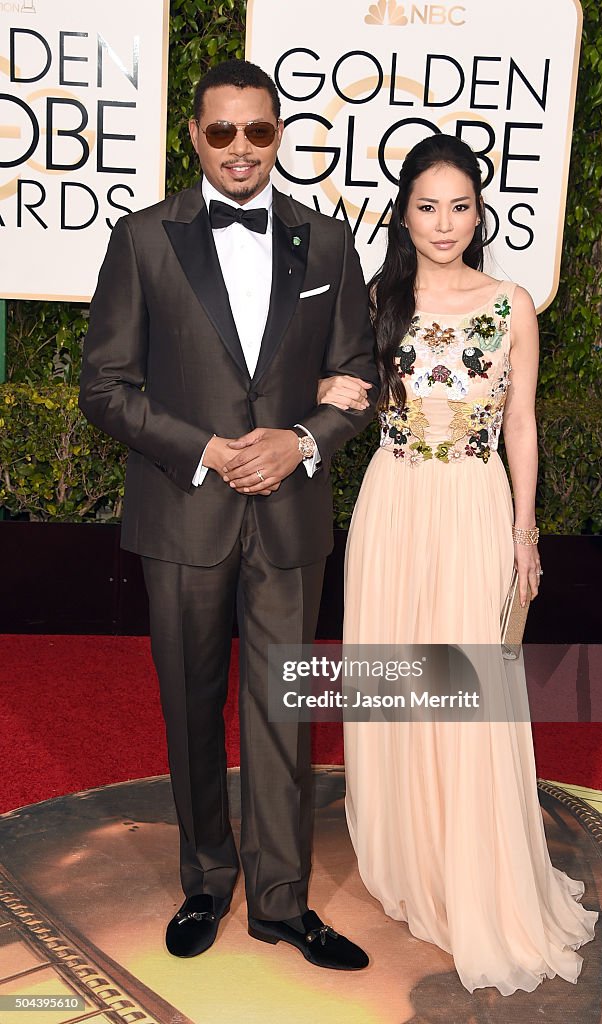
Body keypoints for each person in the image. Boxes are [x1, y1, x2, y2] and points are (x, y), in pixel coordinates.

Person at [79, 59, 377, 968]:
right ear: (195, 137)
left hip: (289, 513)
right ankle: (206, 880)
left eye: (257, 131)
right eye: (221, 133)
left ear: (277, 134)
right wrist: (205, 449)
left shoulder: (327, 243)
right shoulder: (142, 239)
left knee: (285, 708)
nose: (240, 149)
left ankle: (283, 901)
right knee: (190, 703)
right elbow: (104, 386)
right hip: (184, 510)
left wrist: (302, 439)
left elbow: (361, 376)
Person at [320, 134, 598, 994]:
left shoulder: (513, 303)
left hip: (475, 510)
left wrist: (525, 533)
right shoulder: (376, 299)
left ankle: (475, 871)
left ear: (481, 213)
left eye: (461, 206)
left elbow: (521, 426)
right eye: (427, 206)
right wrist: (328, 394)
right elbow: (345, 394)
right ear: (404, 215)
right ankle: (414, 855)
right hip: (393, 508)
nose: (445, 223)